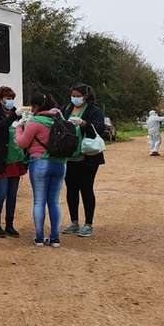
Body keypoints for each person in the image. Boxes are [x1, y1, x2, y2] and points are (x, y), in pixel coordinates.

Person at [16, 93, 67, 247]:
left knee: (39, 202)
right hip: (59, 163)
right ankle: (55, 238)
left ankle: (39, 237)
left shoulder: (35, 121)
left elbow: (23, 143)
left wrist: (18, 128)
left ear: (36, 106)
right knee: (54, 202)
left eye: (32, 106)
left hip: (39, 163)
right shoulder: (59, 119)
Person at [61, 84, 107, 238]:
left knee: (86, 189)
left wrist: (84, 124)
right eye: (72, 95)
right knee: (71, 190)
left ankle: (88, 224)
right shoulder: (67, 109)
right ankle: (74, 222)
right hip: (70, 157)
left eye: (77, 95)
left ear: (85, 96)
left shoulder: (94, 110)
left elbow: (99, 129)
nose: (74, 98)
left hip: (88, 157)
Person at [0, 86, 27, 238]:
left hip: (15, 160)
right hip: (0, 160)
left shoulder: (17, 114)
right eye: (7, 98)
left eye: (11, 98)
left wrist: (24, 119)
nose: (9, 101)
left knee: (12, 195)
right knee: (1, 193)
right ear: (0, 99)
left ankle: (9, 224)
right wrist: (13, 116)